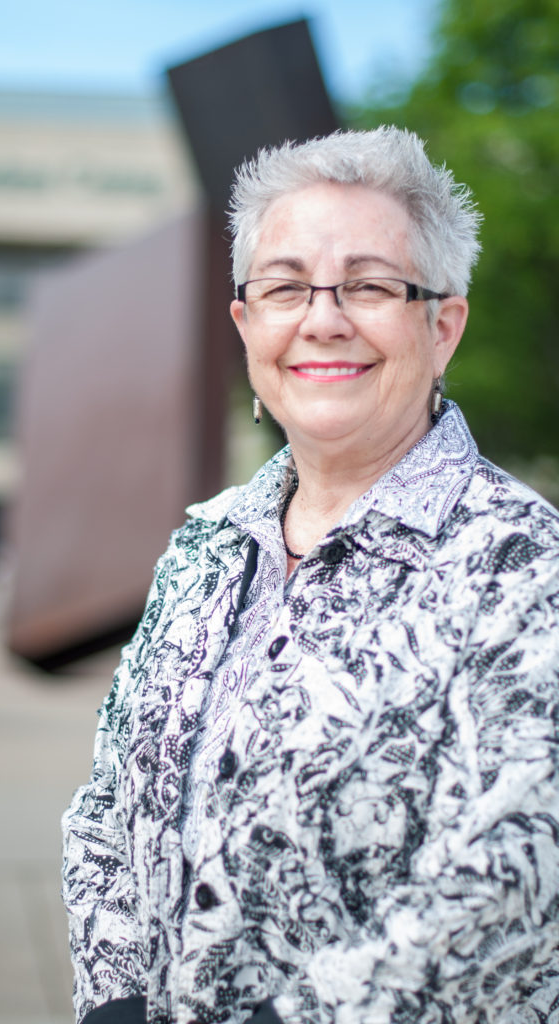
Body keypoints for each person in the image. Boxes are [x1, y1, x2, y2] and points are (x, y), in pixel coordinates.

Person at [62, 126, 559, 1024]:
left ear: (442, 325)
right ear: (248, 324)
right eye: (286, 287)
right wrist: (117, 1001)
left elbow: (513, 877)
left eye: (369, 286)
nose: (322, 318)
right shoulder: (204, 548)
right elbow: (104, 808)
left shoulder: (524, 564)